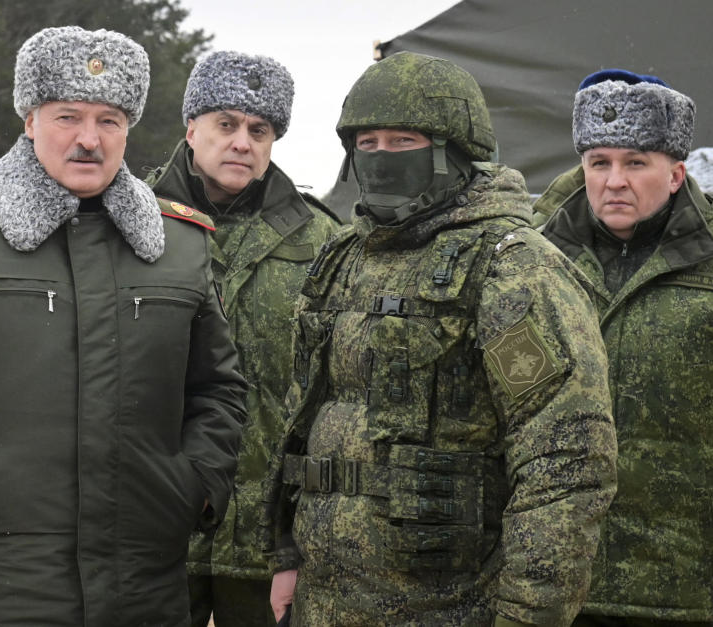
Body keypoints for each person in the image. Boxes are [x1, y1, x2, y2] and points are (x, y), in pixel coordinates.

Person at [0, 26, 247, 626]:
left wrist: (189, 488)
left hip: (144, 580)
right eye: (68, 116)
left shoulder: (179, 242)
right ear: (29, 118)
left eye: (110, 120)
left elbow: (218, 388)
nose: (89, 139)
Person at [261, 51, 618, 626]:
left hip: (451, 608)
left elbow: (565, 459)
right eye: (367, 142)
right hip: (323, 602)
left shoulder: (510, 268)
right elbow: (301, 420)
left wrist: (529, 616)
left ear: (454, 153)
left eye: (403, 141)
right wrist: (286, 553)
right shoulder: (340, 260)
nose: (381, 158)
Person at [145, 51, 340, 627]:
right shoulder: (128, 220)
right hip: (153, 519)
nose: (242, 142)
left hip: (268, 539)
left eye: (259, 130)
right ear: (191, 128)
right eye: (225, 124)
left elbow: (330, 393)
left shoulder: (320, 238)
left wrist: (302, 534)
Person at [538, 69, 713, 625]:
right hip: (557, 585)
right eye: (599, 163)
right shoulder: (532, 265)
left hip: (684, 586)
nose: (615, 181)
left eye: (636, 163)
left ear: (676, 174)